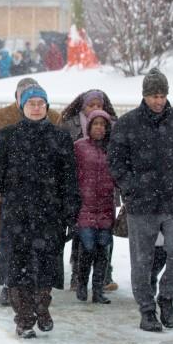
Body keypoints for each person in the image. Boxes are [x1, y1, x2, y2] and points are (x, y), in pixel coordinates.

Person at [0, 85, 80, 338]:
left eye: (40, 103)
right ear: (22, 106)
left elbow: (69, 178)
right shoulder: (7, 136)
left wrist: (71, 211)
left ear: (46, 106)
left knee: (45, 267)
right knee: (17, 268)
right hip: (16, 214)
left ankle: (42, 307)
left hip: (49, 214)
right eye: (31, 103)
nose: (36, 107)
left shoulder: (60, 137)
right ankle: (23, 318)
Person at [108, 68, 173, 332]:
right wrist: (130, 187)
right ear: (144, 96)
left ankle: (167, 298)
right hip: (142, 205)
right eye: (153, 96)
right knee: (142, 260)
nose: (158, 101)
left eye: (162, 95)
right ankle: (147, 310)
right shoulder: (127, 124)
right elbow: (115, 162)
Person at [0, 78, 61, 306]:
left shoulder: (53, 118)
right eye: (26, 97)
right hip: (11, 190)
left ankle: (36, 286)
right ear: (17, 97)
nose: (34, 106)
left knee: (39, 242)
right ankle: (9, 284)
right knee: (8, 240)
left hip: (43, 192)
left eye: (38, 100)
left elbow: (62, 157)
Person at [60, 89, 119, 291]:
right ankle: (79, 277)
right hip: (82, 194)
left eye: (99, 105)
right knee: (83, 239)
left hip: (105, 195)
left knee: (104, 240)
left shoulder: (112, 130)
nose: (95, 108)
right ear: (82, 106)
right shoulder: (71, 127)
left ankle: (103, 277)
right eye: (91, 105)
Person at [73, 110, 118, 305]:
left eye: (103, 124)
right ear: (89, 126)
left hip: (106, 206)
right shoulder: (79, 148)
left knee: (103, 249)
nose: (99, 128)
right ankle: (82, 283)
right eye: (96, 124)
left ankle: (98, 289)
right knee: (87, 247)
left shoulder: (114, 149)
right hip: (85, 205)